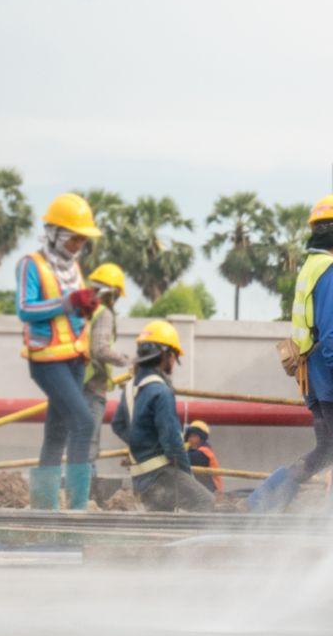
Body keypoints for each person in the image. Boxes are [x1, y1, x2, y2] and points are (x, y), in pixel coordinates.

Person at [246, 195, 333, 514]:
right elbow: (328, 332)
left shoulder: (310, 268)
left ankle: (268, 497)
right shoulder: (329, 270)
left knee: (327, 448)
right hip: (329, 372)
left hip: (311, 374)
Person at [17, 192, 104, 512]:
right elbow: (26, 309)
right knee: (82, 422)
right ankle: (77, 508)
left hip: (74, 359)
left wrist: (85, 309)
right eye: (74, 240)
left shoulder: (73, 269)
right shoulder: (31, 265)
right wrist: (68, 303)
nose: (78, 246)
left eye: (82, 241)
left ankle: (44, 509)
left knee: (57, 431)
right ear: (57, 235)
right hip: (47, 361)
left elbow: (70, 313)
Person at [112, 319, 216, 513]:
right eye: (174, 357)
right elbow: (172, 441)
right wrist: (186, 476)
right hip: (162, 475)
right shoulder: (161, 391)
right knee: (205, 502)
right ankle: (194, 545)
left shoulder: (130, 387)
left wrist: (139, 444)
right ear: (165, 355)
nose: (174, 363)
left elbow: (118, 424)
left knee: (162, 521)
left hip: (141, 478)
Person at [82, 262, 131, 471]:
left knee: (79, 440)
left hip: (76, 382)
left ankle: (77, 491)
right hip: (92, 386)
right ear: (112, 293)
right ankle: (84, 494)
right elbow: (100, 349)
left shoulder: (83, 310)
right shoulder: (103, 313)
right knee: (88, 444)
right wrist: (126, 360)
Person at [183, 421, 222, 494]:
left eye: (194, 436)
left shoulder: (204, 453)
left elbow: (187, 459)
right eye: (189, 436)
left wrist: (178, 448)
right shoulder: (193, 451)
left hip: (213, 492)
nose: (191, 439)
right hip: (203, 490)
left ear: (202, 438)